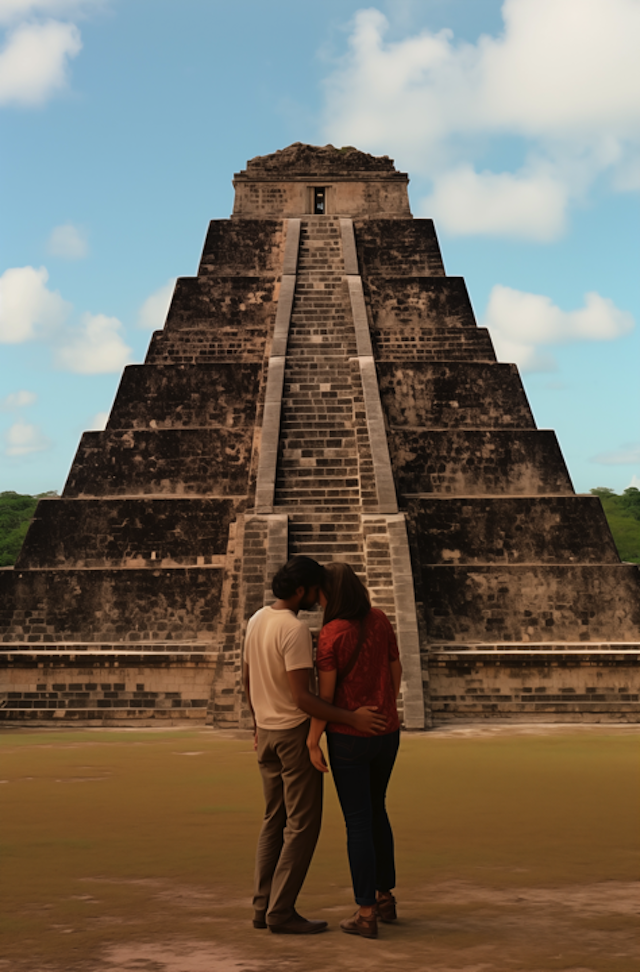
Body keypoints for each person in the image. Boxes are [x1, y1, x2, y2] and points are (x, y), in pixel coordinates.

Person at [243, 555, 387, 936]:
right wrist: (350, 718)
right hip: (291, 733)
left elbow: (245, 677)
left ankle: (262, 907)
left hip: (267, 734)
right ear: (303, 590)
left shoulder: (257, 619)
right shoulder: (293, 630)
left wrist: (257, 723)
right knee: (303, 826)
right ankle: (281, 911)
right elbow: (305, 699)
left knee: (274, 820)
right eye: (316, 590)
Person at [307, 562, 402, 940]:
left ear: (329, 594)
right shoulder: (379, 619)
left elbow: (326, 697)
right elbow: (396, 670)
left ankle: (365, 913)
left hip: (348, 736)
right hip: (386, 731)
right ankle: (385, 896)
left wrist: (314, 739)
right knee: (378, 810)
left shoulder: (331, 634)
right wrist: (384, 706)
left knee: (358, 821)